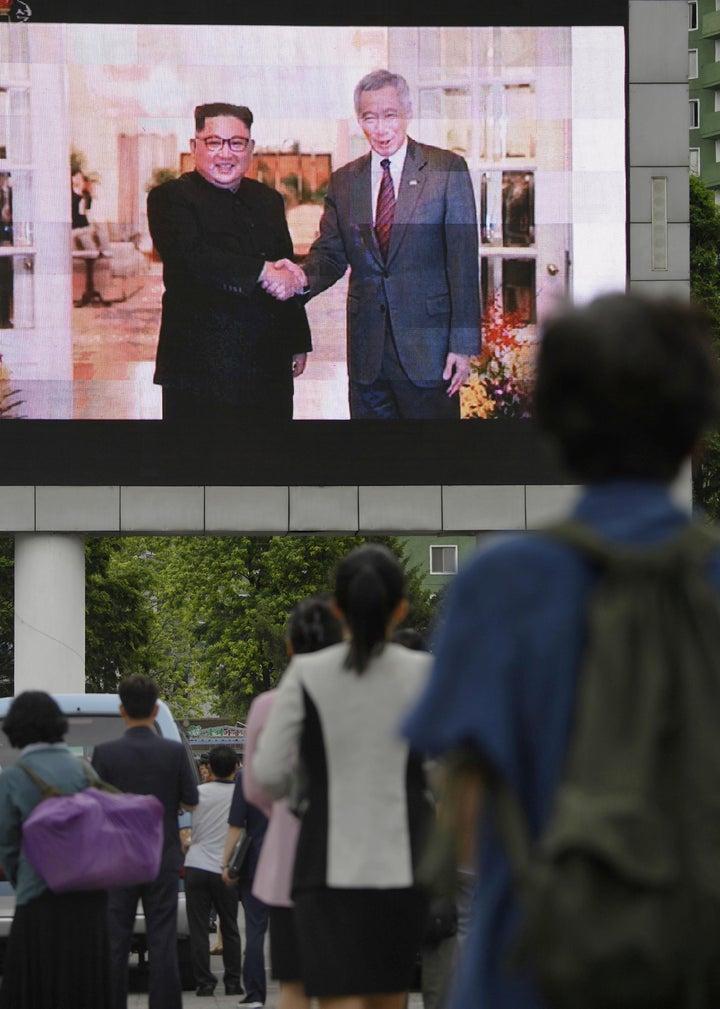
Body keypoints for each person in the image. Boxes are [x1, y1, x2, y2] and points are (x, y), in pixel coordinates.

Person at [401, 292, 720, 1009]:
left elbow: (466, 807)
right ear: (698, 432)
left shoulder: (500, 584)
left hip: (532, 968)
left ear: (552, 425)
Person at [253, 544, 433, 1009]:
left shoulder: (306, 673)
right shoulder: (427, 673)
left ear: (338, 608)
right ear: (401, 608)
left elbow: (270, 769)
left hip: (323, 860)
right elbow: (442, 764)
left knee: (335, 996)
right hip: (405, 858)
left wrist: (301, 796)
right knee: (389, 995)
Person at [263, 69, 480, 420]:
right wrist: (301, 277)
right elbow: (331, 255)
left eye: (390, 115)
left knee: (433, 463)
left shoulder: (446, 170)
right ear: (359, 119)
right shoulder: (344, 181)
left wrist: (464, 344)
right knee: (371, 463)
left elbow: (464, 264)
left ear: (407, 112)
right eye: (369, 117)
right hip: (367, 356)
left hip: (430, 351)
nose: (380, 129)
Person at [147, 101, 312, 424]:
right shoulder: (169, 198)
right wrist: (262, 271)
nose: (226, 154)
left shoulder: (269, 201)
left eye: (236, 143)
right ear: (195, 146)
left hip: (268, 366)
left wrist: (297, 341)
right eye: (214, 142)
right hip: (199, 370)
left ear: (250, 149)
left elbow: (285, 266)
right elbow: (193, 258)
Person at [240, 595, 344, 1009]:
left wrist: (281, 813)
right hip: (349, 858)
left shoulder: (268, 705)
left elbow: (255, 789)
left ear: (289, 646)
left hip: (288, 862)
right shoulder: (354, 700)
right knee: (343, 983)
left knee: (294, 984)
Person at [92, 675, 199, 1009]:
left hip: (117, 858)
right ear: (155, 710)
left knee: (115, 940)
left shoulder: (105, 753)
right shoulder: (172, 752)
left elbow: (95, 805)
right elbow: (191, 800)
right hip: (162, 854)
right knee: (162, 937)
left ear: (123, 711)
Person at [0, 691, 111, 1009]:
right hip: (90, 898)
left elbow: (7, 845)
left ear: (16, 728)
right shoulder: (85, 771)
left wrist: (24, 883)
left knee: (37, 989)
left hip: (39, 900)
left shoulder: (13, 777)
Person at [184, 744, 242, 997]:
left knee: (197, 928)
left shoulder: (197, 793)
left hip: (195, 866)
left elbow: (182, 818)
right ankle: (232, 982)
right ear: (236, 767)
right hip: (225, 868)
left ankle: (204, 983)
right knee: (229, 926)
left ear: (210, 768)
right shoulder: (241, 795)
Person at [220, 759, 269, 1009]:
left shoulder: (246, 775)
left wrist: (226, 863)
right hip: (293, 860)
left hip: (256, 862)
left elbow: (236, 825)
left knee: (255, 930)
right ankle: (300, 990)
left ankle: (256, 994)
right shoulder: (299, 767)